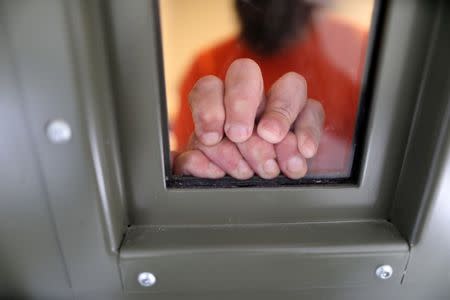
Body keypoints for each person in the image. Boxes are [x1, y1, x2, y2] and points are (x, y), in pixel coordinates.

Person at [171, 0, 368, 180]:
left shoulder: (361, 53)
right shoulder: (205, 67)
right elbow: (187, 168)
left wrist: (318, 161)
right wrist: (199, 174)